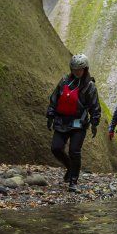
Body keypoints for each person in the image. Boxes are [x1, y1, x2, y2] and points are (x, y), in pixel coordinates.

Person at [46, 53, 101, 192]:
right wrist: (50, 115)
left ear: (85, 69)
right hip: (62, 121)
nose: (77, 72)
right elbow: (54, 98)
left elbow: (95, 106)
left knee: (74, 151)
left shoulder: (90, 86)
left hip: (79, 124)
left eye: (80, 69)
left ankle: (73, 181)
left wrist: (94, 123)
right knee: (56, 148)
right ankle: (70, 167)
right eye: (75, 69)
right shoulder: (64, 81)